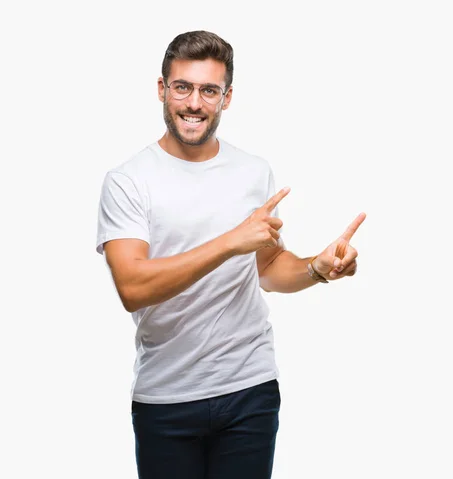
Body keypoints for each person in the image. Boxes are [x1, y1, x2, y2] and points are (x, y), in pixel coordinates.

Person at [95, 30, 366, 479]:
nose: (194, 103)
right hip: (167, 396)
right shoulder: (129, 180)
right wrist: (229, 242)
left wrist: (316, 269)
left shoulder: (252, 171)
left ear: (227, 98)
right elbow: (133, 286)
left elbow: (267, 267)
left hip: (250, 389)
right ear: (162, 89)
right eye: (182, 87)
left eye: (209, 90)